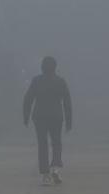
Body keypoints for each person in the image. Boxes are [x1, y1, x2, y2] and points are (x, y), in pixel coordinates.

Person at [23, 56, 72, 185]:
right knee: (56, 143)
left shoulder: (36, 81)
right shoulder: (60, 82)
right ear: (55, 67)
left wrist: (26, 117)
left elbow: (28, 99)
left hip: (40, 117)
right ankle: (55, 168)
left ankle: (45, 175)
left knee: (42, 144)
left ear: (42, 67)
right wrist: (69, 121)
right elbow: (67, 102)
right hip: (56, 117)